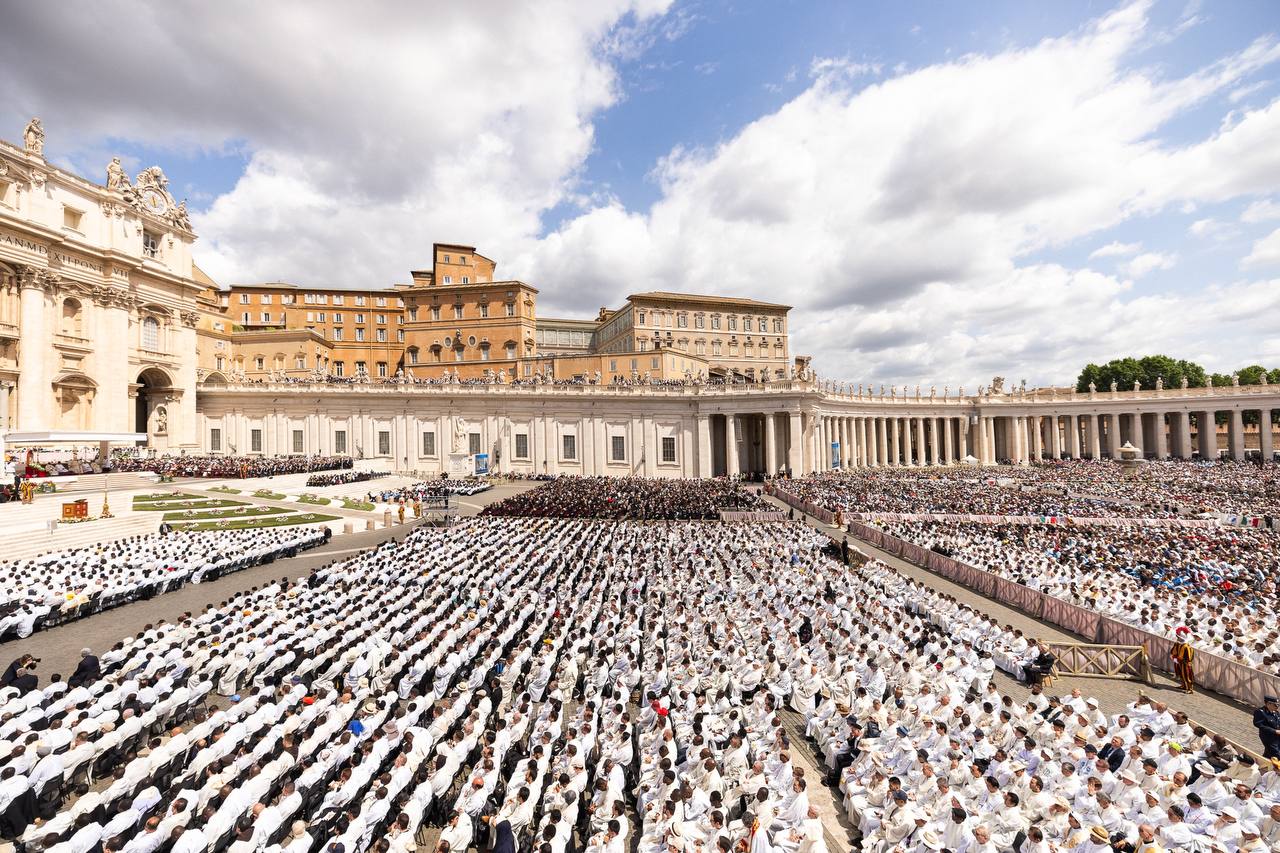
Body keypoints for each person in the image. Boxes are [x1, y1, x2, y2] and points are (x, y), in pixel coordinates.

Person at [1170, 628, 1195, 694]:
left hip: (1185, 663)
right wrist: (1175, 657)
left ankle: (1190, 689)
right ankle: (1183, 686)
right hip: (1179, 662)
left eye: (1178, 637)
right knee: (1181, 674)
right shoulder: (1178, 644)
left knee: (1187, 676)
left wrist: (1180, 659)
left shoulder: (1186, 646)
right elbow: (1174, 651)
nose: (1177, 638)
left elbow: (1189, 658)